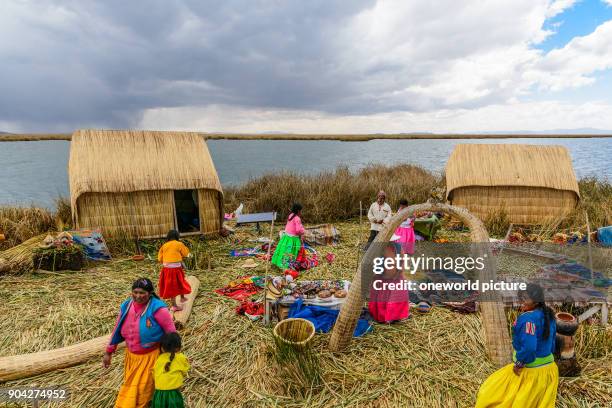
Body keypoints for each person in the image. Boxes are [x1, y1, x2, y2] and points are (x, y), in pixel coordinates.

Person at [475, 283, 558, 408]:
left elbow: (530, 348)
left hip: (530, 372)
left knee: (490, 390)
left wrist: (520, 363)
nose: (521, 302)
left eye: (525, 299)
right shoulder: (549, 314)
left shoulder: (528, 320)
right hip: (549, 370)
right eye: (521, 298)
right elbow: (552, 343)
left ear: (536, 301)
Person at [103, 278, 177, 408]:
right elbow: (117, 328)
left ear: (150, 293)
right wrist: (109, 351)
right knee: (133, 388)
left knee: (142, 393)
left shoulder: (158, 309)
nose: (138, 296)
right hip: (131, 357)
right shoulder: (126, 306)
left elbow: (171, 332)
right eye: (135, 292)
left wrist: (172, 356)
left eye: (142, 293)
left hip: (150, 358)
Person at [368, 242, 410, 323]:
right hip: (391, 277)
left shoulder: (387, 248)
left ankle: (386, 316)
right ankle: (390, 316)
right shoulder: (397, 247)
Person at [152, 332, 190, 408]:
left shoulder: (159, 359)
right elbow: (185, 370)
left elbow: (153, 373)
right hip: (173, 395)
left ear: (162, 348)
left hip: (158, 395)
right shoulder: (181, 358)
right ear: (178, 347)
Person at [157, 230, 192, 312]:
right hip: (175, 269)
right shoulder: (179, 244)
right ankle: (174, 306)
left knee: (175, 283)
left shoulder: (164, 245)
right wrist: (190, 255)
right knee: (177, 283)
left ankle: (182, 298)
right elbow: (186, 254)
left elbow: (159, 258)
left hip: (166, 269)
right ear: (177, 236)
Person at [271, 203, 305, 270]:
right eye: (301, 210)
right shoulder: (297, 218)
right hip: (293, 239)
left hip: (286, 237)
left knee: (284, 250)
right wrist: (303, 231)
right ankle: (288, 265)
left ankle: (280, 263)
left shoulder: (291, 215)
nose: (301, 212)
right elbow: (298, 230)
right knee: (291, 252)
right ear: (298, 211)